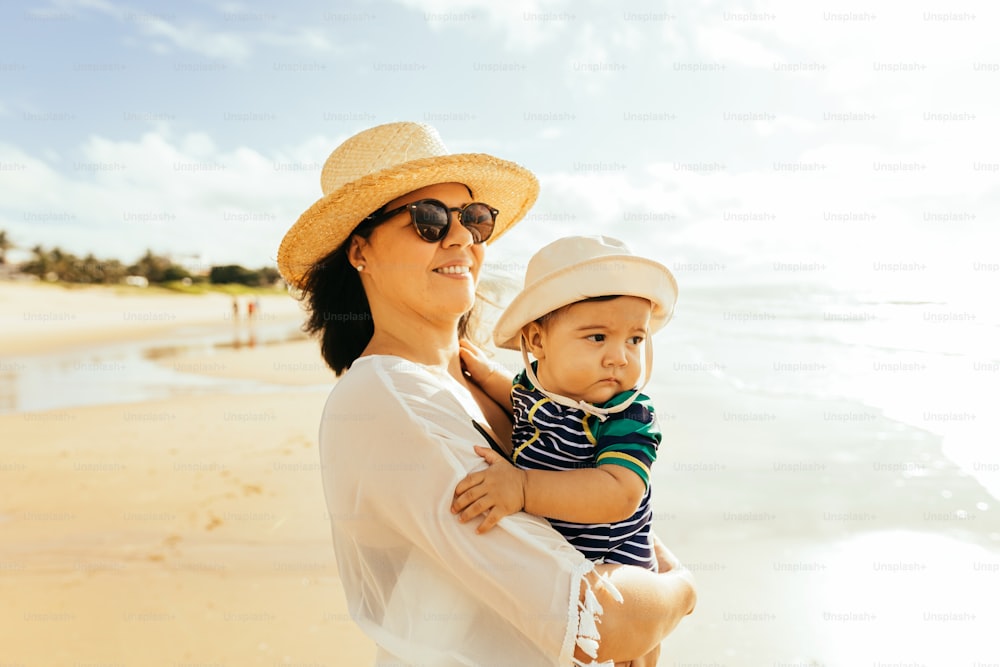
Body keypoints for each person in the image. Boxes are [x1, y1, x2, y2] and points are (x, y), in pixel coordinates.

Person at [277, 121, 696, 666]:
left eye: (473, 220)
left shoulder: (481, 381)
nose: (461, 240)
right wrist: (682, 589)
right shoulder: (388, 398)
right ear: (361, 251)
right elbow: (602, 623)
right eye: (428, 221)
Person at [453, 235, 677, 574]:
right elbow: (516, 397)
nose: (618, 357)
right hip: (553, 550)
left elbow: (620, 494)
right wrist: (484, 375)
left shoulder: (627, 413)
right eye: (598, 337)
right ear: (537, 340)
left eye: (635, 339)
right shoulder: (536, 385)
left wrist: (524, 488)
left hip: (612, 565)